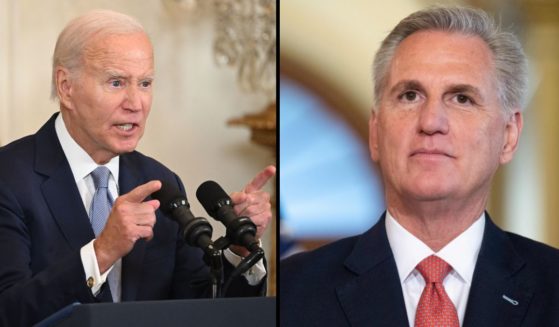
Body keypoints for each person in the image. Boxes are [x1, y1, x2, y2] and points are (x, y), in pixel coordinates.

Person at [280, 5, 559, 327]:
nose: (431, 122)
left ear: (509, 136)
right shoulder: (294, 292)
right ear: (375, 131)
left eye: (461, 98)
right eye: (410, 96)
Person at [0, 9, 275, 326]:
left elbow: (202, 308)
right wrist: (101, 253)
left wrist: (240, 251)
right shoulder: (10, 178)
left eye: (145, 83)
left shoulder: (159, 182)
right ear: (66, 87)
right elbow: (8, 311)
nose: (136, 103)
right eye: (116, 83)